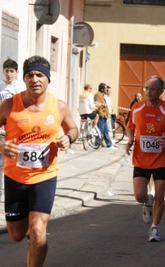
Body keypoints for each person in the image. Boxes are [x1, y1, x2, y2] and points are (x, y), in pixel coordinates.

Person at [0, 55, 78, 266]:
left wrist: (68, 138)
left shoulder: (59, 107)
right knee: (16, 234)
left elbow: (73, 128)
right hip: (15, 176)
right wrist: (1, 146)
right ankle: (31, 237)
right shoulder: (8, 105)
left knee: (37, 230)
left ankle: (35, 241)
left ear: (47, 79)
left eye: (39, 75)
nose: (34, 79)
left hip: (45, 176)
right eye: (30, 75)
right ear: (24, 78)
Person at [126, 75, 165, 241]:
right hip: (141, 158)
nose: (148, 92)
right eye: (146, 88)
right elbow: (130, 127)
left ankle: (155, 228)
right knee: (139, 195)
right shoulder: (137, 108)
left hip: (161, 158)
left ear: (160, 91)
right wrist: (130, 139)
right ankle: (146, 202)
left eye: (152, 89)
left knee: (160, 194)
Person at [0, 58, 26, 201]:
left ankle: (17, 190)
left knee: (15, 161)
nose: (9, 74)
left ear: (16, 72)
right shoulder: (0, 86)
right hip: (2, 131)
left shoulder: (20, 88)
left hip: (16, 131)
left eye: (11, 71)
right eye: (6, 71)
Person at [94, 83, 114, 149]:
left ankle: (109, 145)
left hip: (105, 115)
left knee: (106, 131)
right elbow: (98, 105)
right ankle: (97, 144)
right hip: (102, 115)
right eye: (105, 88)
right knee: (100, 130)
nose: (106, 90)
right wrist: (101, 114)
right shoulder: (97, 95)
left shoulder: (102, 95)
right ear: (101, 89)